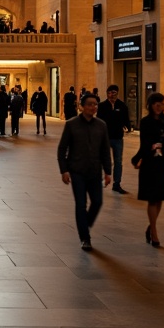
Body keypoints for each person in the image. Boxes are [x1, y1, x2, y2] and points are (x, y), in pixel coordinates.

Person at [57, 93, 111, 250]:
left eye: (95, 104)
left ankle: (84, 224)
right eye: (89, 104)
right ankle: (85, 237)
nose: (93, 107)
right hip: (77, 171)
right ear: (82, 106)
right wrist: (64, 170)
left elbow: (105, 150)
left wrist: (108, 171)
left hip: (95, 171)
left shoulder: (101, 125)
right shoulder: (72, 124)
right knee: (81, 204)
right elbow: (62, 149)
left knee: (97, 202)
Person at [131, 92, 164, 247]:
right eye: (156, 104)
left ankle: (151, 226)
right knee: (152, 198)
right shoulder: (145, 122)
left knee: (160, 198)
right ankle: (154, 233)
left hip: (162, 163)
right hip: (149, 163)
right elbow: (144, 144)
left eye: (162, 103)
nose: (159, 106)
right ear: (150, 105)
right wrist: (137, 159)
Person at [97, 84, 132, 194]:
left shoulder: (122, 106)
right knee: (103, 160)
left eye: (114, 93)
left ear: (117, 93)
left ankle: (117, 184)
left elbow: (126, 118)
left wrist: (128, 126)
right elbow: (98, 120)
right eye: (110, 93)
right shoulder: (102, 106)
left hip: (117, 137)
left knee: (118, 161)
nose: (112, 95)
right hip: (105, 137)